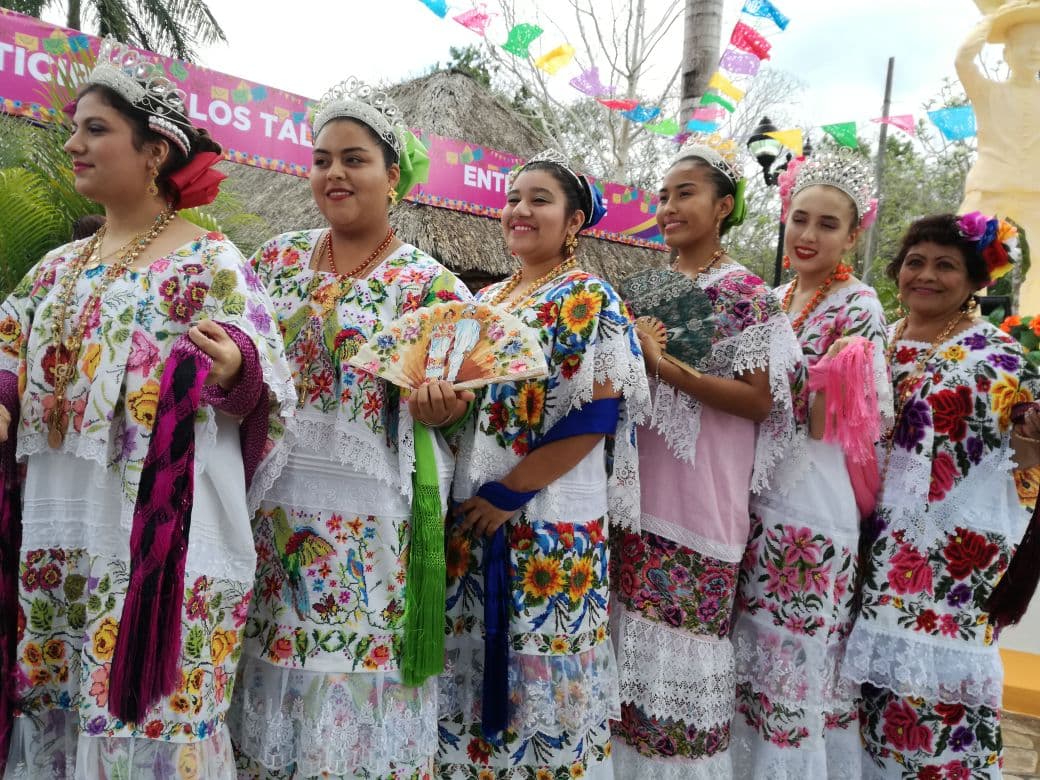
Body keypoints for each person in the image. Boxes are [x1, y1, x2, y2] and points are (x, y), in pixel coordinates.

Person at [0, 37, 295, 779]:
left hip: (160, 539)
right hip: (59, 528)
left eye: (94, 128)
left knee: (150, 723)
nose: (73, 144)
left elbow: (265, 379)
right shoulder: (57, 268)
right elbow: (9, 345)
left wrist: (236, 366)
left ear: (155, 149)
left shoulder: (211, 261)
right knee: (58, 705)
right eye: (74, 128)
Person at [228, 77, 472, 780]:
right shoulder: (272, 263)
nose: (334, 173)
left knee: (351, 676)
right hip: (273, 514)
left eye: (355, 159)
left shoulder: (432, 288)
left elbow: (462, 410)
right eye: (322, 159)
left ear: (393, 177)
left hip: (374, 531)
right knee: (274, 671)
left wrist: (443, 408)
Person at [433, 149, 649, 779]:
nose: (519, 211)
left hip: (546, 521)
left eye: (539, 200)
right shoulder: (486, 298)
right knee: (469, 674)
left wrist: (509, 493)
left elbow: (595, 417)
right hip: (473, 516)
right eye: (512, 199)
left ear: (574, 220)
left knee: (543, 671)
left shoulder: (591, 298)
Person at [611, 134, 806, 779]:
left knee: (681, 670)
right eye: (662, 196)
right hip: (638, 495)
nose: (667, 207)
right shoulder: (651, 288)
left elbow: (757, 400)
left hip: (703, 503)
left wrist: (666, 367)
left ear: (724, 206)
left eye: (684, 193)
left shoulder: (747, 293)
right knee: (626, 661)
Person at [842, 212, 1038, 779]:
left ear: (977, 279)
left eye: (945, 265)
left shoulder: (997, 357)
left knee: (932, 715)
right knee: (863, 716)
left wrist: (1030, 428)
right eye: (915, 262)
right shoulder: (875, 341)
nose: (925, 275)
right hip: (861, 552)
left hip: (946, 570)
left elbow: (1025, 443)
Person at [732, 150, 891, 779]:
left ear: (854, 235)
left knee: (796, 654)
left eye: (828, 224)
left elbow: (830, 422)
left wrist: (778, 382)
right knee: (751, 648)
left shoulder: (861, 307)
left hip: (813, 502)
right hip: (757, 494)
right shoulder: (771, 298)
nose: (807, 235)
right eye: (800, 219)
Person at [955, 2, 1040, 310]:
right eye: (1026, 46)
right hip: (991, 183)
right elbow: (964, 61)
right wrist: (990, 22)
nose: (1034, 52)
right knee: (964, 250)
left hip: (1036, 189)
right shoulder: (988, 91)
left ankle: (1035, 327)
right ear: (1006, 54)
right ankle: (962, 324)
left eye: (1039, 46)